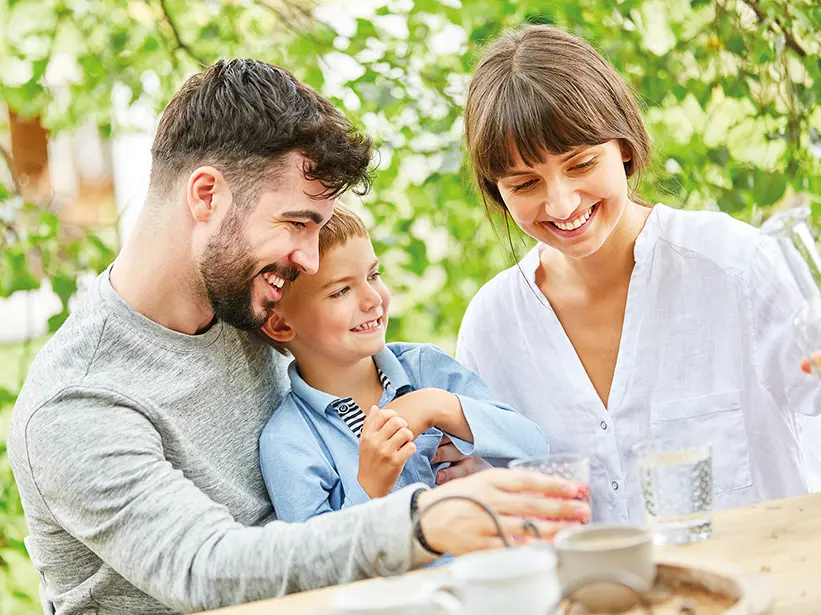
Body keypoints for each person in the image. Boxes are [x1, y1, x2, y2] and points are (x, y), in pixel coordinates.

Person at [8, 59, 590, 615]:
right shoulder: (79, 400)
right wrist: (421, 522)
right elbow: (205, 569)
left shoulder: (250, 311)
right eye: (296, 224)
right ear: (206, 195)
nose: (309, 260)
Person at [456, 24, 821, 524]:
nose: (561, 203)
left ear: (623, 147)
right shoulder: (492, 326)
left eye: (581, 164)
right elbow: (489, 510)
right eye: (525, 183)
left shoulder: (736, 264)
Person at [257, 205, 558, 523]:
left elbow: (535, 451)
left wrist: (437, 406)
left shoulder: (427, 369)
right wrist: (369, 487)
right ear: (280, 326)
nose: (373, 298)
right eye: (341, 290)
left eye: (373, 275)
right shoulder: (289, 442)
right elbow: (312, 564)